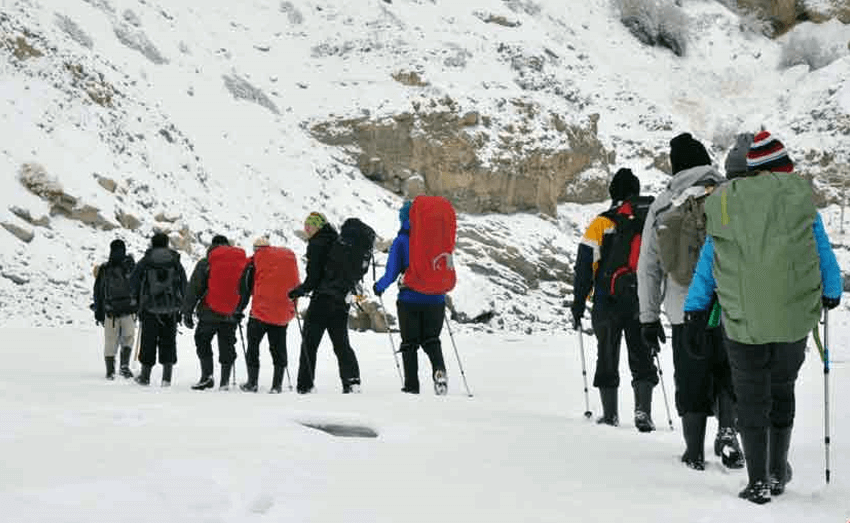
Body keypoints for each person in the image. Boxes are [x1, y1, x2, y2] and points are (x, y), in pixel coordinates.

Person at [684, 130, 842, 504]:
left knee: (751, 396)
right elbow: (823, 254)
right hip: (792, 320)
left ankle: (757, 481)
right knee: (781, 389)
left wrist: (694, 309)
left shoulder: (726, 203)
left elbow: (710, 259)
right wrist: (831, 293)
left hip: (742, 320)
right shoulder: (802, 202)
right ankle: (776, 471)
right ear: (782, 169)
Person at [637, 133, 744, 470]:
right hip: (730, 306)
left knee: (691, 377)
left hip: (684, 311)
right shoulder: (731, 193)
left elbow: (649, 267)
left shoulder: (663, 203)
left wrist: (648, 317)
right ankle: (728, 430)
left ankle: (693, 450)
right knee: (730, 372)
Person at [572, 168, 658, 430]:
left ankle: (610, 415)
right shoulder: (648, 222)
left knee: (607, 354)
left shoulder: (602, 223)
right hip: (639, 299)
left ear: (613, 193)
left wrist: (578, 304)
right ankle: (643, 411)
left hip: (607, 301)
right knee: (642, 353)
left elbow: (585, 267)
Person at [374, 200, 448, 395]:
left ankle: (411, 387)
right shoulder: (436, 237)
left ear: (405, 218)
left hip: (410, 300)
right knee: (432, 340)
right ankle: (439, 371)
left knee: (409, 344)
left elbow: (391, 273)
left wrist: (378, 287)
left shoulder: (402, 240)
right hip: (437, 299)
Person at [288, 212, 362, 394]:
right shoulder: (338, 241)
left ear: (317, 226)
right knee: (341, 343)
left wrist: (299, 290)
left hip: (322, 300)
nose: (307, 230)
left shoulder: (316, 244)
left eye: (309, 226)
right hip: (341, 300)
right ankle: (352, 381)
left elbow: (314, 278)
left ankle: (305, 385)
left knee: (309, 343)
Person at [236, 237, 300, 393]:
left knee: (253, 347)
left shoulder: (254, 262)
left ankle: (252, 383)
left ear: (256, 249)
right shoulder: (285, 261)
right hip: (281, 313)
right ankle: (277, 386)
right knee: (278, 348)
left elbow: (245, 287)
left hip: (260, 313)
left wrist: (239, 309)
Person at [182, 235, 242, 391]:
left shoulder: (206, 263)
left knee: (202, 340)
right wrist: (239, 309)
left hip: (209, 311)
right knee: (227, 344)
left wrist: (187, 312)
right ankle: (224, 382)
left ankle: (207, 377)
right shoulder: (238, 264)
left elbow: (194, 288)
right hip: (230, 313)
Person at [130, 232, 187, 386]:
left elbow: (134, 280)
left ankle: (145, 377)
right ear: (166, 243)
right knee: (169, 341)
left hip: (149, 308)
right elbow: (183, 282)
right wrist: (183, 305)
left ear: (152, 243)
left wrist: (135, 301)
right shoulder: (174, 260)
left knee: (148, 341)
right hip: (171, 308)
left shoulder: (147, 260)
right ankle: (166, 379)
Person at [92, 239, 136, 380]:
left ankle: (110, 371)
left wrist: (98, 313)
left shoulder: (105, 268)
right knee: (127, 338)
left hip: (110, 312)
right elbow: (138, 287)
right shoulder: (130, 266)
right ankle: (124, 366)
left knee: (110, 341)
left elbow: (98, 292)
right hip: (128, 310)